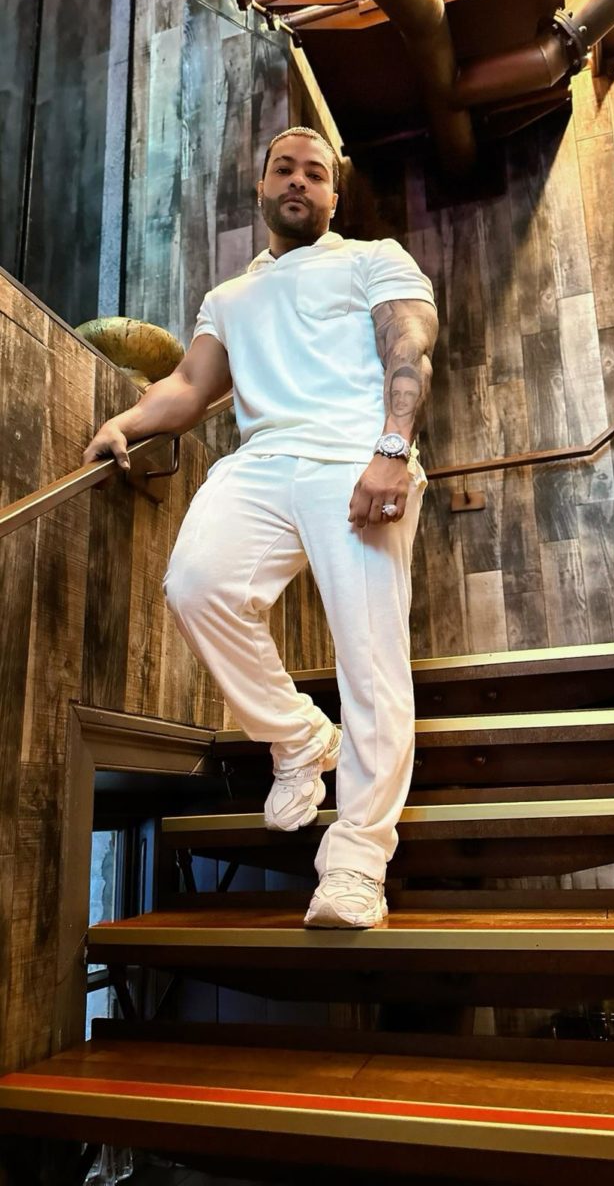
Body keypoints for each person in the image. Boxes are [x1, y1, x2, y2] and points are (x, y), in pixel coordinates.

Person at [82, 126, 438, 930]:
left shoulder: (371, 258)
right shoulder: (230, 297)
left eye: (316, 173)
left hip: (357, 455)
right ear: (263, 186)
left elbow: (409, 347)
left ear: (334, 195)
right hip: (264, 459)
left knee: (370, 660)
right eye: (285, 168)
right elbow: (189, 384)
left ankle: (356, 864)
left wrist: (391, 448)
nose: (299, 181)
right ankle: (299, 736)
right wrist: (126, 423)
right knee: (196, 586)